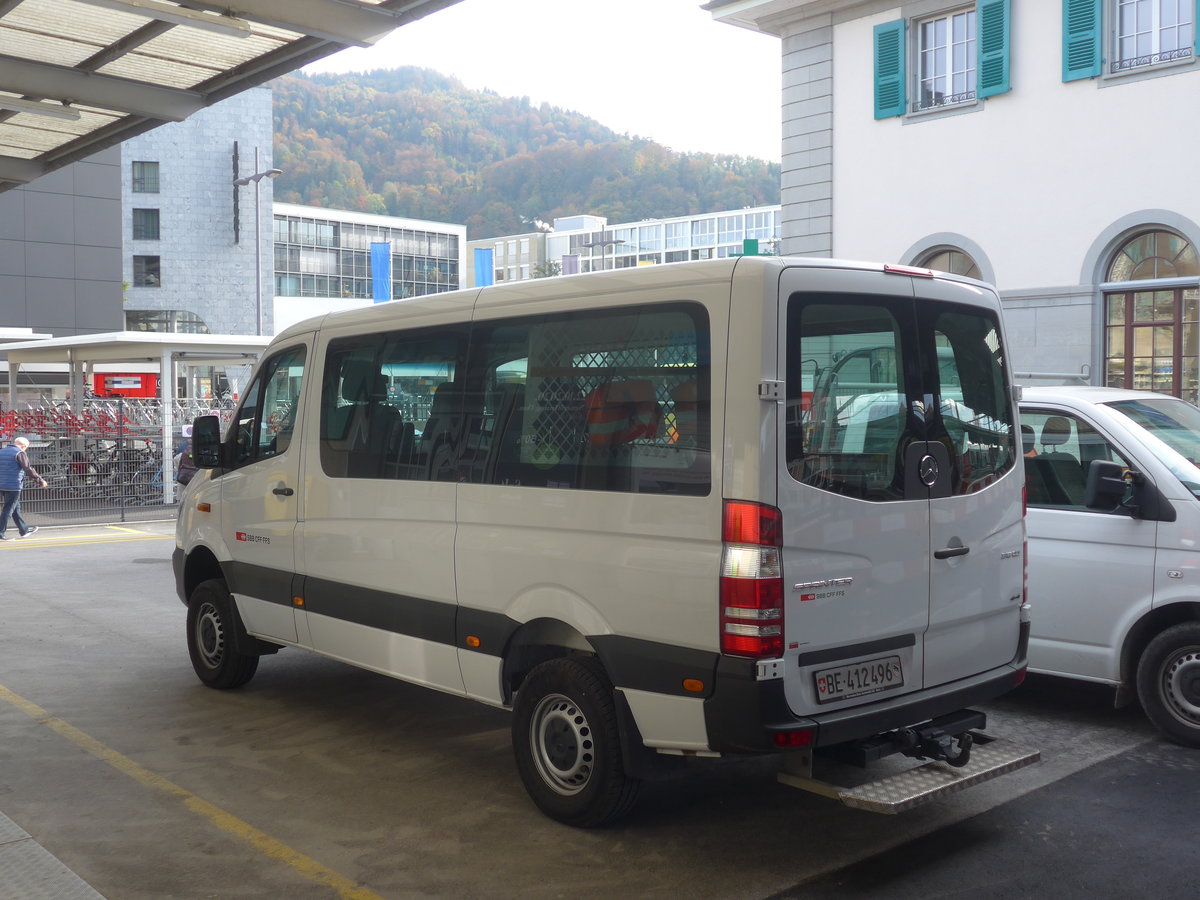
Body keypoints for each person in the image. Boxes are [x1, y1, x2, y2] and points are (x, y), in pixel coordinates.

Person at [0, 436, 48, 540]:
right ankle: (0, 533)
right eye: (26, 448)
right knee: (8, 510)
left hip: (2, 485)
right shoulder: (19, 453)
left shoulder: (2, 451)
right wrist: (40, 481)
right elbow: (28, 469)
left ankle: (24, 530)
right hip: (13, 485)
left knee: (15, 508)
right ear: (23, 446)